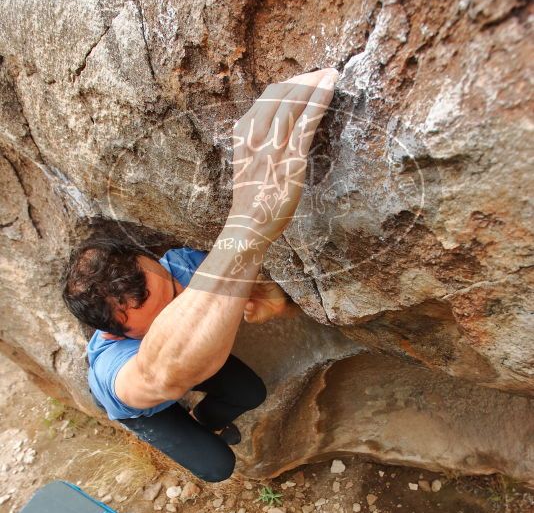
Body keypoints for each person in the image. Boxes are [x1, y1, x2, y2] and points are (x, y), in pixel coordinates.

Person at [62, 68, 339, 482]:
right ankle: (181, 425)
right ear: (120, 336)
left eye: (175, 293)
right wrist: (248, 223)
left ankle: (203, 415)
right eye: (161, 322)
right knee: (217, 466)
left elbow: (219, 288)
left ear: (151, 261)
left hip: (184, 370)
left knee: (250, 393)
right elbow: (161, 375)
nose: (183, 305)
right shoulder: (112, 370)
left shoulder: (180, 264)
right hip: (146, 407)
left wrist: (269, 297)